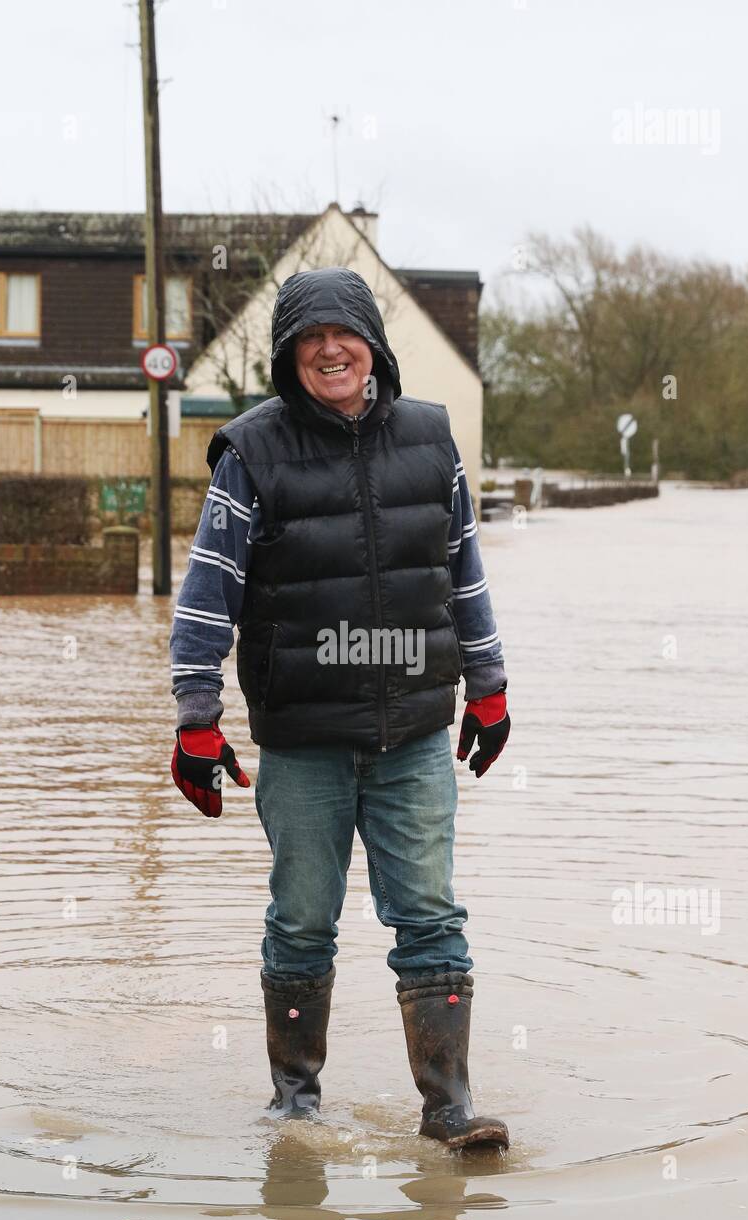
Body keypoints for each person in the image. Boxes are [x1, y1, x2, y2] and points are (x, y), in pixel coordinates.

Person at [169, 267, 511, 1150]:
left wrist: (490, 686)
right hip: (304, 741)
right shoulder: (251, 452)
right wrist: (196, 719)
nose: (330, 349)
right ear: (289, 354)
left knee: (432, 917)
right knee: (301, 922)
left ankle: (448, 1113)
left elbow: (464, 573)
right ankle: (296, 1107)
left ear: (373, 345)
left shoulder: (433, 442)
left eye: (344, 333)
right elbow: (208, 594)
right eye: (310, 336)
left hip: (414, 737)